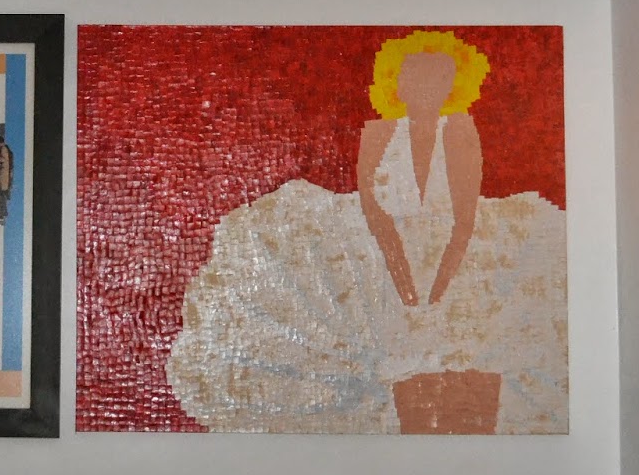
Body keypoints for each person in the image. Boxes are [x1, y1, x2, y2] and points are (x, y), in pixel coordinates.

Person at [166, 30, 566, 435]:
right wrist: (401, 277)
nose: (425, 90)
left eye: (437, 80)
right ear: (399, 84)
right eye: (415, 79)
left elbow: (465, 220)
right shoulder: (378, 133)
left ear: (451, 87)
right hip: (381, 259)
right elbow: (373, 212)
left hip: (450, 259)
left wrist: (441, 284)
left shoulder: (460, 130)